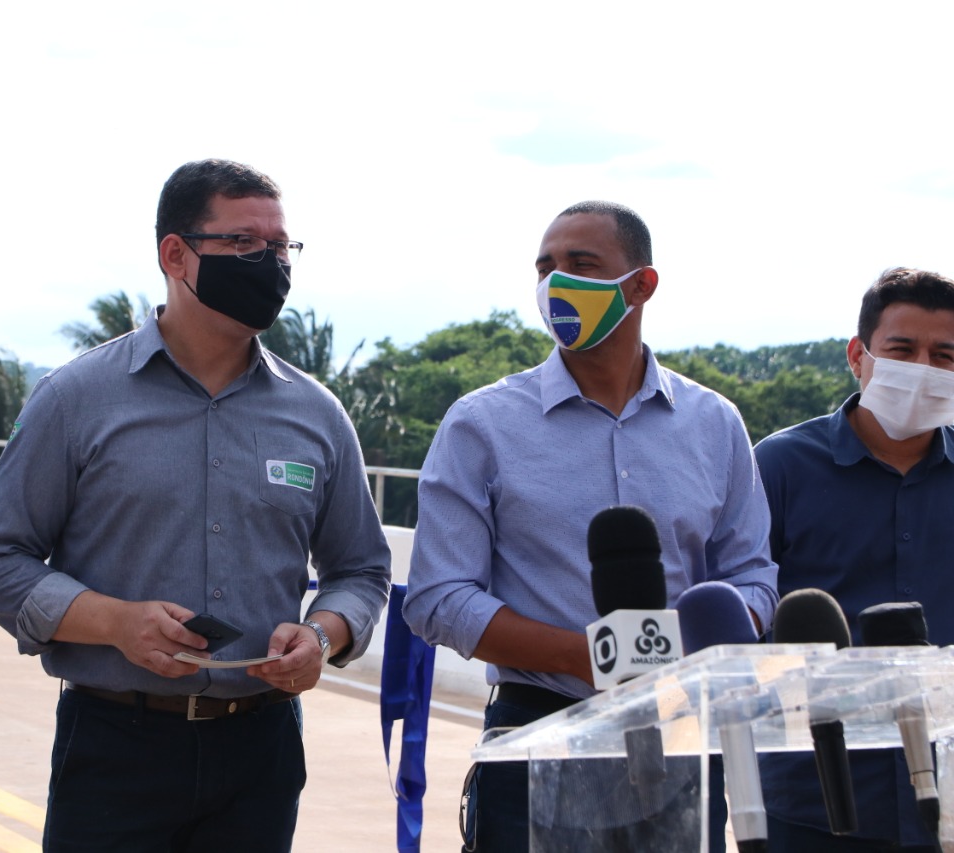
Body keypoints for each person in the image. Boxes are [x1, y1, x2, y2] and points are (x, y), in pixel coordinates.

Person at [0, 158, 391, 852]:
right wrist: (115, 622)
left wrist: (323, 635)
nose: (271, 263)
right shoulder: (75, 398)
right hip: (115, 747)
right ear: (175, 255)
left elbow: (362, 569)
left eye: (282, 246)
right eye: (244, 243)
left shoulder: (317, 414)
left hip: (262, 751)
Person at [402, 200, 779, 851]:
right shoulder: (481, 424)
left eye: (582, 265)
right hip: (537, 732)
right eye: (545, 268)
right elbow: (439, 597)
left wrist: (710, 636)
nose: (557, 283)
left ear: (641, 285)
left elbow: (752, 575)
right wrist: (592, 657)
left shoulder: (715, 423)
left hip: (684, 733)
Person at [756, 267, 954, 852]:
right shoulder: (780, 466)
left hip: (947, 794)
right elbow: (745, 604)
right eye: (902, 350)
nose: (923, 368)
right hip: (813, 795)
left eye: (944, 355)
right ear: (857, 356)